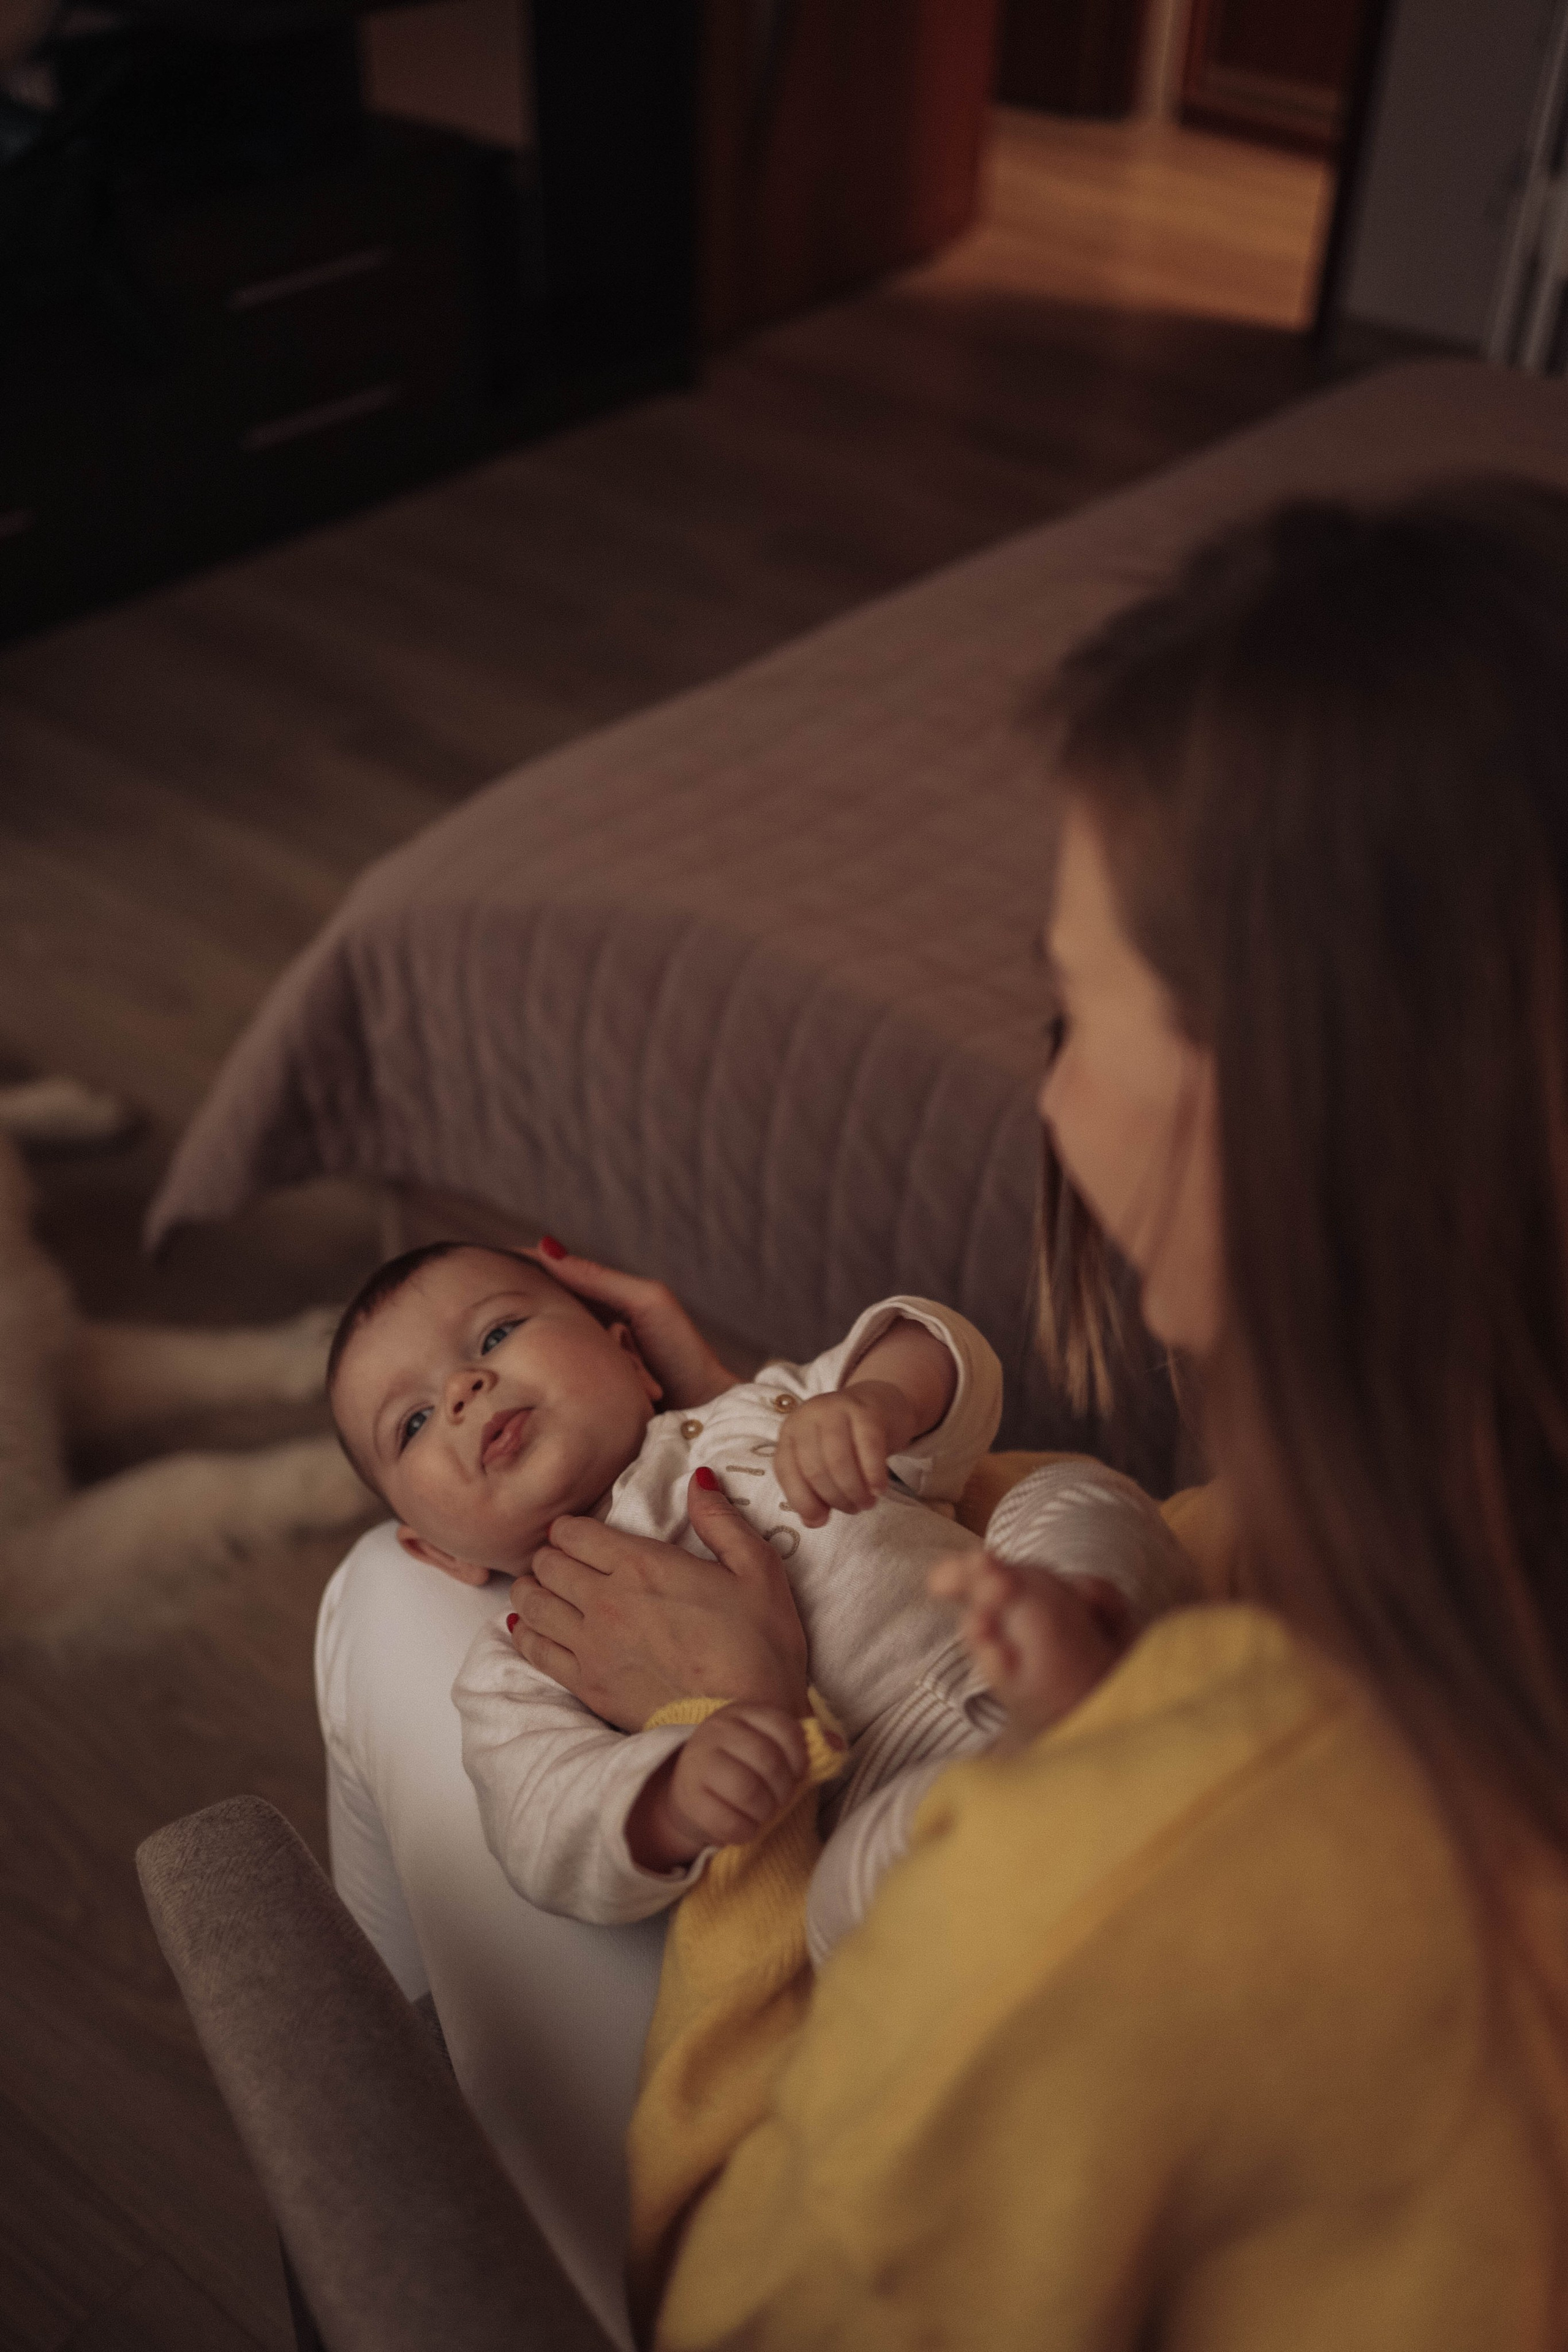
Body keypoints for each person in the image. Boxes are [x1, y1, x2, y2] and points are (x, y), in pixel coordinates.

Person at [321, 481, 1568, 2348]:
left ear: (1285, 1102)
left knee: (362, 1620)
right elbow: (560, 1811)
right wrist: (673, 1777)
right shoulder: (1438, 1554)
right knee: (1058, 1512)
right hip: (928, 1741)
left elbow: (754, 2309)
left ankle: (380, 2122)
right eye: (417, 1424)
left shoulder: (1103, 1898)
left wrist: (757, 1689)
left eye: (1068, 1011)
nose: (476, 1392)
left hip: (869, 1864)